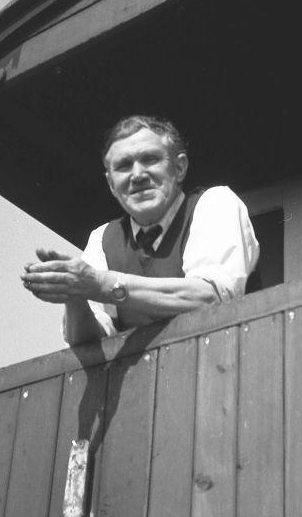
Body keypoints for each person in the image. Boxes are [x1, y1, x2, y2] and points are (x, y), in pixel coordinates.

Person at [21, 115, 259, 346]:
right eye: (123, 166)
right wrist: (75, 296)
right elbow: (88, 340)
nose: (137, 175)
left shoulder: (215, 202)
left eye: (150, 159)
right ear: (111, 184)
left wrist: (101, 284)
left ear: (179, 168)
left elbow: (212, 297)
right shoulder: (102, 238)